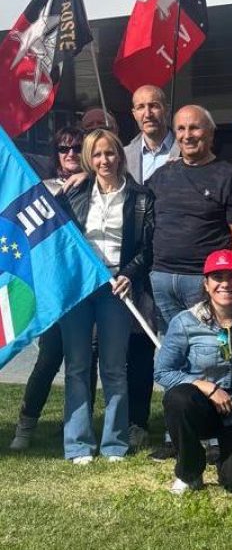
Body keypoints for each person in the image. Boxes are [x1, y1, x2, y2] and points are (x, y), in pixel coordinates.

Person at [59, 128, 154, 463]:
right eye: (96, 154)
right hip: (80, 289)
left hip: (116, 288)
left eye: (109, 153)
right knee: (77, 366)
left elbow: (146, 249)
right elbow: (58, 238)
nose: (104, 160)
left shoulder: (141, 197)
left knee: (115, 367)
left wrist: (129, 274)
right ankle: (78, 443)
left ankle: (115, 442)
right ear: (88, 158)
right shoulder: (74, 193)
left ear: (120, 155)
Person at [154, 249, 232, 494]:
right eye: (217, 277)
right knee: (177, 398)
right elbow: (162, 371)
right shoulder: (185, 321)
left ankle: (229, 455)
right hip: (202, 408)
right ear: (206, 283)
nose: (225, 284)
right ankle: (190, 471)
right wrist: (205, 386)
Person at [9, 125, 89, 451]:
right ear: (54, 153)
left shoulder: (97, 184)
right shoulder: (41, 187)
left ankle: (77, 426)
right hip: (54, 286)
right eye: (63, 148)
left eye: (77, 147)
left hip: (86, 285)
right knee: (49, 358)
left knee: (84, 363)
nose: (70, 154)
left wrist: (88, 179)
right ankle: (25, 426)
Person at [147, 105, 232, 331]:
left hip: (204, 281)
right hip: (162, 279)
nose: (187, 135)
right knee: (172, 349)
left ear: (211, 133)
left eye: (194, 128)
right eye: (181, 129)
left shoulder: (228, 176)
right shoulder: (161, 175)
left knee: (210, 351)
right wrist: (85, 174)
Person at [123, 84, 178, 451]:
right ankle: (136, 423)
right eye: (140, 107)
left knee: (180, 345)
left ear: (165, 109)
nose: (148, 113)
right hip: (138, 266)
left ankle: (180, 426)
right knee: (139, 349)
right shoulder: (123, 154)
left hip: (175, 262)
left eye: (154, 105)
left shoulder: (185, 148)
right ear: (133, 113)